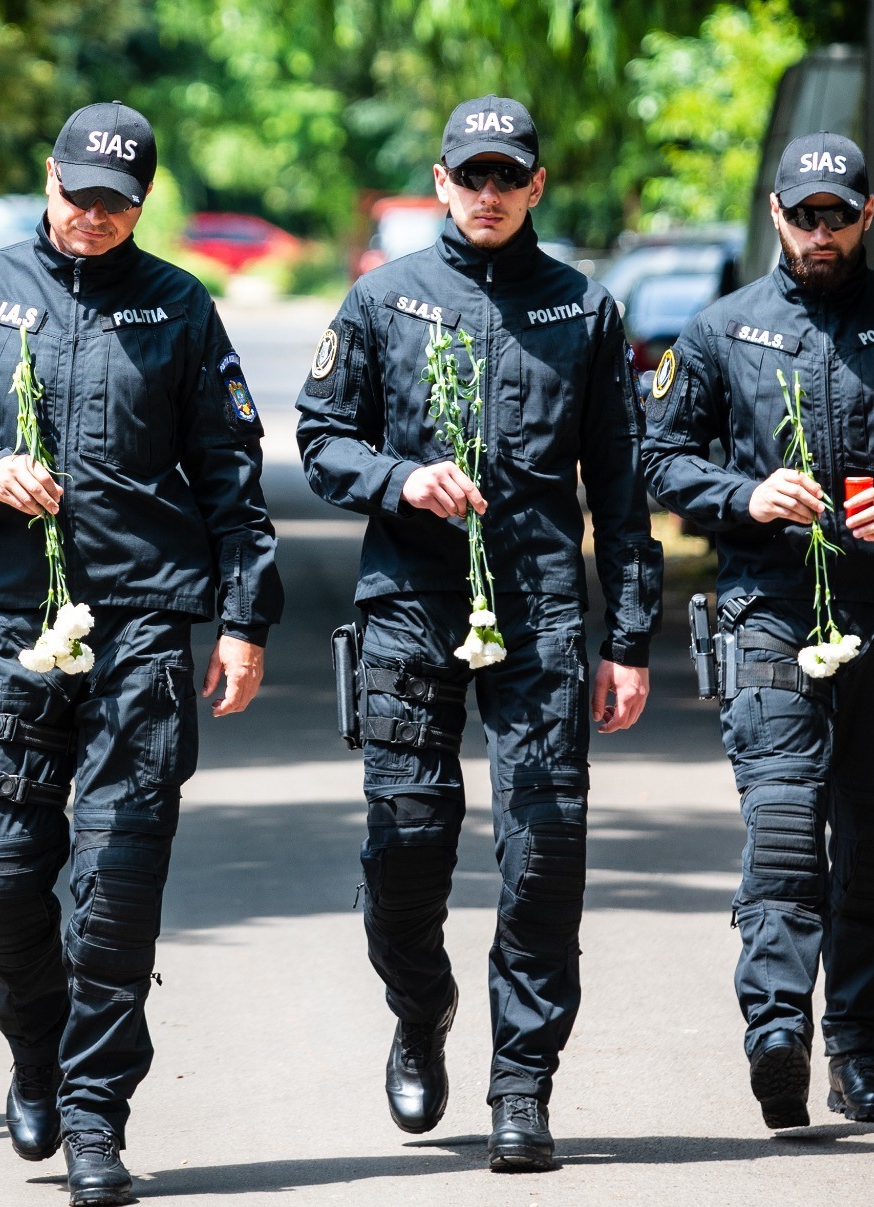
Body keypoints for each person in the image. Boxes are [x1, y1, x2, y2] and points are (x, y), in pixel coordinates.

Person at [0, 101, 281, 1207]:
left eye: (116, 203)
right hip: (8, 623)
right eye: (77, 196)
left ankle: (96, 1116)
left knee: (113, 889)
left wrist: (244, 618)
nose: (92, 218)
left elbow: (231, 475)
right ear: (46, 177)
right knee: (2, 891)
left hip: (142, 622)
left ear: (140, 204)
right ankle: (37, 1054)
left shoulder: (178, 305)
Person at [297, 95, 662, 1171]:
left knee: (544, 852)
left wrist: (629, 636)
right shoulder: (383, 299)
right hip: (412, 604)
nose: (489, 193)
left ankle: (522, 1086)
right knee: (406, 846)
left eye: (508, 176)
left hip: (541, 608)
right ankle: (421, 1007)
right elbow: (322, 441)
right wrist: (402, 479)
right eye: (472, 175)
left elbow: (622, 492)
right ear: (442, 183)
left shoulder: (584, 309)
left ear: (536, 185)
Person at [642, 133, 874, 1129]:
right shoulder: (722, 328)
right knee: (781, 823)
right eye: (804, 215)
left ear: (867, 214)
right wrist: (745, 493)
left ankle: (858, 1047)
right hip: (767, 611)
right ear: (776, 214)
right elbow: (660, 456)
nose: (821, 232)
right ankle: (776, 1031)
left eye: (839, 215)